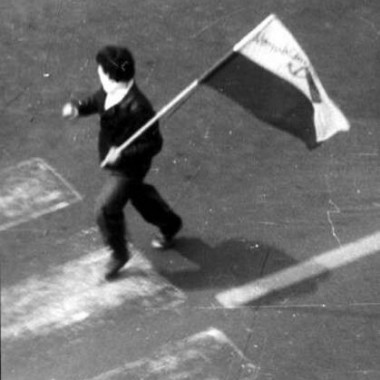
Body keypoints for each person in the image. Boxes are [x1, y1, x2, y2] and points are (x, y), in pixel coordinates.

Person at [62, 45, 182, 280]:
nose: (99, 73)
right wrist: (78, 109)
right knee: (138, 196)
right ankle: (170, 224)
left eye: (101, 71)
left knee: (106, 208)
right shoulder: (110, 91)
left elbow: (154, 144)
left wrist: (123, 155)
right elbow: (95, 101)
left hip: (129, 167)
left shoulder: (139, 107)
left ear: (112, 76)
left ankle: (119, 254)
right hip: (115, 161)